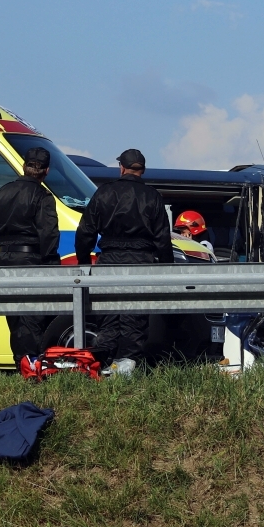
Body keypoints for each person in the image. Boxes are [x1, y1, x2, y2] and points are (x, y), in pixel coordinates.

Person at [74, 149, 173, 374]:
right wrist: (167, 267)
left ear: (121, 168)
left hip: (109, 259)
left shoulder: (104, 193)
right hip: (141, 261)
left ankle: (104, 363)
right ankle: (127, 364)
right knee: (134, 315)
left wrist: (84, 261)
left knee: (108, 314)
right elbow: (163, 239)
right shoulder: (152, 196)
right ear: (143, 170)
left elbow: (85, 232)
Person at [0, 146, 61, 369]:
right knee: (33, 317)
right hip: (32, 260)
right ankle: (31, 366)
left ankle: (20, 363)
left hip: (6, 259)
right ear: (46, 171)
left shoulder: (3, 191)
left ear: (24, 166)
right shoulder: (43, 196)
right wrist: (50, 262)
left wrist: (2, 245)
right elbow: (49, 234)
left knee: (15, 318)